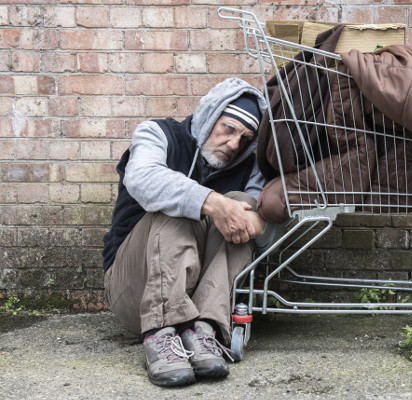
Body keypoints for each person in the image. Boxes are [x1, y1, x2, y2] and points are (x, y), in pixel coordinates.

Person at [102, 78, 280, 387]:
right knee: (180, 202)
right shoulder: (157, 134)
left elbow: (267, 236)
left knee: (243, 206)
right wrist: (210, 202)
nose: (234, 144)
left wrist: (258, 226)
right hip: (135, 289)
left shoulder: (248, 167)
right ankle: (160, 336)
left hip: (201, 298)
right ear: (210, 116)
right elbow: (143, 178)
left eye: (245, 137)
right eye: (229, 129)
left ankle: (205, 332)